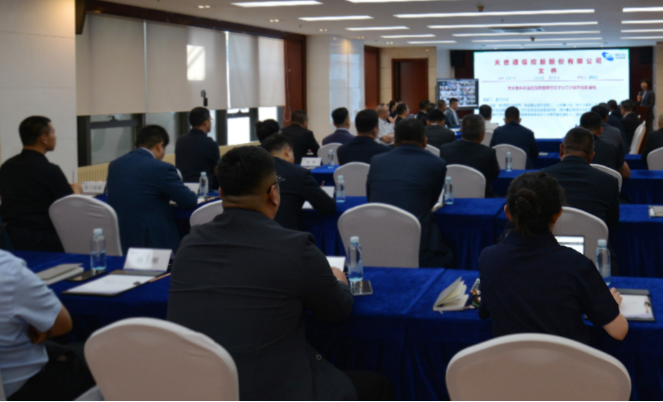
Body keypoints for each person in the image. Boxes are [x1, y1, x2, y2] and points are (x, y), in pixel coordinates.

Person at [168, 146, 393, 401]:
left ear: (220, 194)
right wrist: (339, 279)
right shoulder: (295, 248)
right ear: (274, 194)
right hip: (270, 389)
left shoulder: (189, 244)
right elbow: (337, 311)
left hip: (198, 387)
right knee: (379, 386)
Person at [478, 171, 628, 344]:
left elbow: (484, 311)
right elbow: (619, 331)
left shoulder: (488, 258)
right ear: (557, 215)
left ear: (508, 213)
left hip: (509, 361)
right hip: (567, 361)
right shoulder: (576, 264)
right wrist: (609, 306)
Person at [0, 181, 95, 401]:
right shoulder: (6, 269)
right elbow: (62, 324)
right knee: (102, 355)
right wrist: (37, 325)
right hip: (19, 389)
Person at [366, 119, 455, 268]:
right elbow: (430, 203)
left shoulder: (376, 161)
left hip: (378, 240)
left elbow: (370, 199)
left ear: (394, 142)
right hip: (418, 246)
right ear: (425, 142)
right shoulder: (437, 163)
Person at [107, 125, 198, 252]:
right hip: (154, 243)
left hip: (122, 241)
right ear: (159, 146)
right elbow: (189, 201)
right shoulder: (162, 168)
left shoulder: (114, 166)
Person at [0, 116, 81, 252]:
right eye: (53, 133)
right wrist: (77, 190)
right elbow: (70, 207)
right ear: (44, 138)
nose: (55, 137)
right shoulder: (50, 170)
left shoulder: (6, 167)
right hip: (44, 241)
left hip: (10, 240)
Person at [540, 128, 620, 235]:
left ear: (561, 150)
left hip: (549, 243)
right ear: (591, 156)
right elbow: (611, 226)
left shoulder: (540, 178)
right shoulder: (610, 182)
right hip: (593, 243)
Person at [261, 134, 336, 229]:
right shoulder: (298, 173)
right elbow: (328, 207)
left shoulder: (253, 171)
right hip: (285, 234)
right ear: (287, 151)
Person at [440, 114, 499, 198]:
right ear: (481, 135)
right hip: (482, 197)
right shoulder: (488, 153)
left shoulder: (445, 149)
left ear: (461, 130)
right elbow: (493, 175)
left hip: (450, 196)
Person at [175, 107, 221, 190]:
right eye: (210, 120)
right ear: (205, 123)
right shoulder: (210, 143)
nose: (211, 123)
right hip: (204, 190)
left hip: (183, 189)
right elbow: (217, 171)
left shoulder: (180, 140)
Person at [579, 111, 629, 178]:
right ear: (601, 131)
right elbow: (626, 173)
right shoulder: (612, 148)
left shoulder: (572, 150)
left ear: (580, 128)